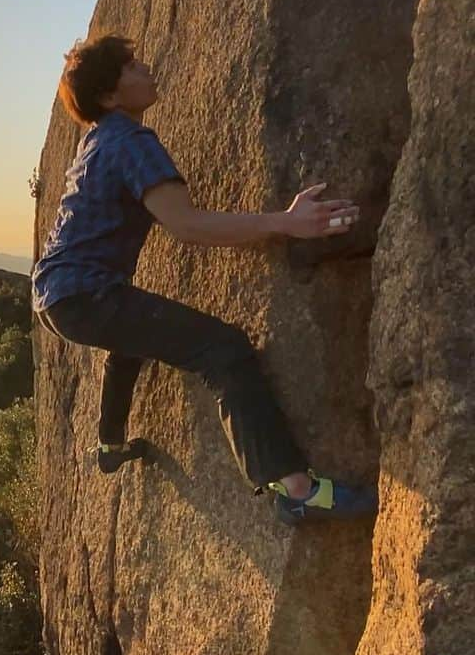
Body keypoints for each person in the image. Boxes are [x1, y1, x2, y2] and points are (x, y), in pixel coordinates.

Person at [32, 32, 377, 526]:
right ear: (109, 96)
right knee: (224, 350)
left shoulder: (96, 141)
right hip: (84, 293)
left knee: (129, 337)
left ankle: (109, 443)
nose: (145, 68)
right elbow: (187, 224)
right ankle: (296, 490)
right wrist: (286, 221)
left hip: (57, 294)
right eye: (131, 67)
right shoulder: (131, 141)